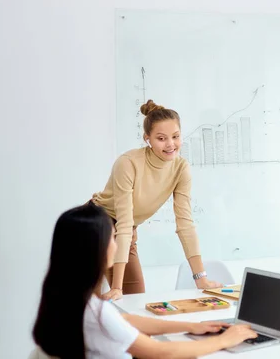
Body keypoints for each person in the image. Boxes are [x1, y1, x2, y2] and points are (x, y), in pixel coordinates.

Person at [32, 204, 256, 359]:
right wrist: (224, 340)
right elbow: (160, 352)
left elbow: (126, 320)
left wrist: (191, 326)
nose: (117, 244)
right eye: (113, 237)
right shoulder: (96, 313)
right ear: (94, 249)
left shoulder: (65, 299)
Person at [91, 99, 221, 301]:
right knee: (88, 305)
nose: (170, 144)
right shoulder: (128, 163)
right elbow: (123, 223)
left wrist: (200, 278)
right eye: (161, 138)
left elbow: (185, 224)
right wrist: (117, 287)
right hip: (94, 226)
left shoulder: (181, 168)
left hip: (126, 230)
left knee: (135, 301)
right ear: (147, 138)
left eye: (176, 137)